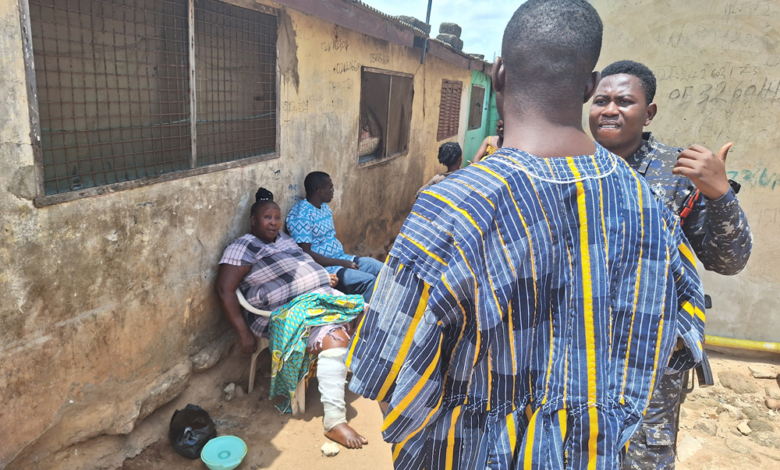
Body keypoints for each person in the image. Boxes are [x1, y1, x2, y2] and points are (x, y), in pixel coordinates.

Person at [346, 1, 705, 468]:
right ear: (589, 86)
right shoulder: (649, 207)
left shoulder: (453, 206)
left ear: (498, 74)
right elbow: (679, 336)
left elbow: (389, 370)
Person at [589, 60, 753, 469]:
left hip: (650, 359)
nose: (610, 109)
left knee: (643, 460)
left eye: (625, 101)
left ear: (649, 112)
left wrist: (719, 194)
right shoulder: (565, 164)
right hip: (577, 351)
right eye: (601, 100)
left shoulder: (678, 173)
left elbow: (729, 260)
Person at [215, 188, 368, 449]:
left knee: (365, 311)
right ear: (254, 220)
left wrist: (321, 275)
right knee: (335, 338)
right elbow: (224, 289)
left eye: (277, 217)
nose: (274, 222)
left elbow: (302, 262)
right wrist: (243, 333)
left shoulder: (284, 238)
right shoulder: (242, 246)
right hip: (281, 312)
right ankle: (334, 421)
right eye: (267, 217)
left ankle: (339, 362)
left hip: (315, 298)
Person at [286, 172, 384, 303]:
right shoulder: (301, 215)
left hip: (341, 258)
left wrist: (343, 261)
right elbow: (306, 254)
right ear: (320, 191)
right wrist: (342, 263)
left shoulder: (324, 208)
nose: (333, 191)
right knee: (368, 282)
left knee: (382, 270)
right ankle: (368, 319)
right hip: (326, 268)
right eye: (330, 187)